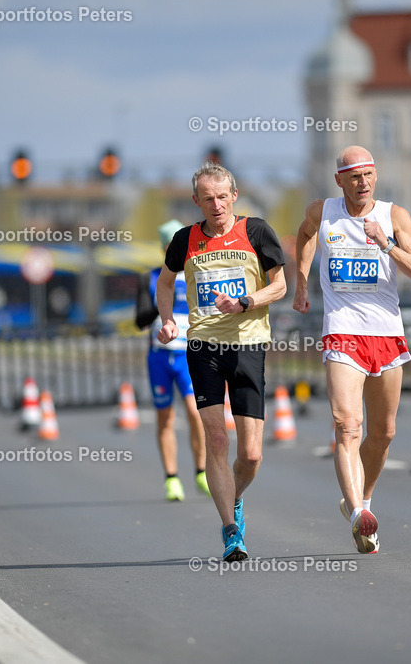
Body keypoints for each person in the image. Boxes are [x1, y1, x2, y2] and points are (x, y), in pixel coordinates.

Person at [293, 145, 411, 554]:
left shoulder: (394, 216)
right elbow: (304, 235)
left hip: (386, 334)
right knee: (347, 426)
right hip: (342, 331)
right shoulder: (323, 211)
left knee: (383, 433)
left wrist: (386, 244)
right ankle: (357, 516)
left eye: (368, 174)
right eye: (354, 176)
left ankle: (362, 499)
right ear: (340, 180)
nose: (363, 182)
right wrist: (301, 281)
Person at [156, 162, 287, 562]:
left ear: (234, 195)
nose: (216, 205)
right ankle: (231, 532)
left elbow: (280, 285)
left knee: (250, 455)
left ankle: (234, 499)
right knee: (216, 439)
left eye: (222, 197)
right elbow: (165, 282)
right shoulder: (185, 240)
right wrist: (166, 320)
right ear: (196, 201)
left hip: (248, 345)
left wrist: (246, 301)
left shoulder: (256, 231)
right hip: (203, 347)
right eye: (207, 198)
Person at [135, 219, 209, 501]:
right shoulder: (150, 277)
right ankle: (171, 478)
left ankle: (201, 471)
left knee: (195, 412)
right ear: (165, 246)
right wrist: (162, 299)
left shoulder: (196, 274)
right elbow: (140, 321)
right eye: (171, 244)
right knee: (165, 418)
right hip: (159, 357)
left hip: (188, 356)